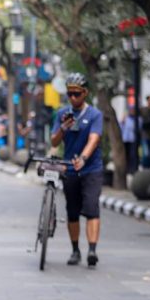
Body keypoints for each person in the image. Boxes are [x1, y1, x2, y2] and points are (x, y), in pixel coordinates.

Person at [50, 72, 104, 267]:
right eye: (70, 94)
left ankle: (92, 250)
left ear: (85, 93)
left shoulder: (95, 115)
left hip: (91, 169)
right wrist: (63, 128)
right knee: (72, 211)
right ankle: (75, 250)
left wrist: (83, 158)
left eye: (77, 94)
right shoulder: (62, 114)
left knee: (91, 208)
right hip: (69, 170)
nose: (73, 98)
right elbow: (54, 141)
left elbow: (94, 139)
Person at [120, 106, 138, 174]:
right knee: (126, 155)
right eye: (131, 110)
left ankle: (132, 169)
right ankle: (127, 169)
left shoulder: (137, 119)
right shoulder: (126, 119)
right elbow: (121, 128)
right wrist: (122, 122)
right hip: (125, 139)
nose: (132, 111)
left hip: (133, 139)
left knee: (132, 155)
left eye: (133, 110)